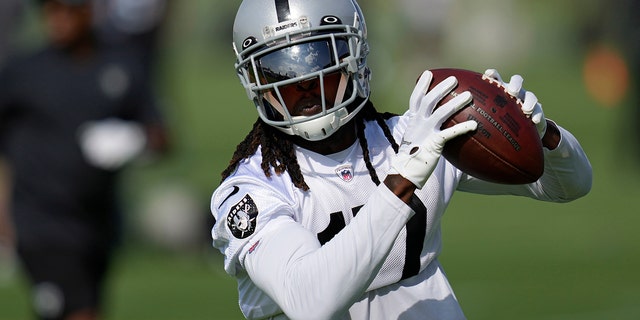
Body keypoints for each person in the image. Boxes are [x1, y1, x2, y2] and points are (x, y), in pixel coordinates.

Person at [209, 0, 592, 319]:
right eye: (282, 72)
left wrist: (544, 136)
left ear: (352, 58)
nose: (305, 85)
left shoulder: (418, 133)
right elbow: (310, 301)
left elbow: (568, 185)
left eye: (319, 64)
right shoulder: (252, 191)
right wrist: (402, 180)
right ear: (255, 81)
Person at [0, 0, 169, 319]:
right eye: (50, 11)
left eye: (67, 9)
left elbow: (163, 135)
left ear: (89, 11)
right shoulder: (23, 72)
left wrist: (135, 139)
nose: (57, 19)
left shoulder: (122, 65)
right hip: (40, 221)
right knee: (81, 312)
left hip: (97, 223)